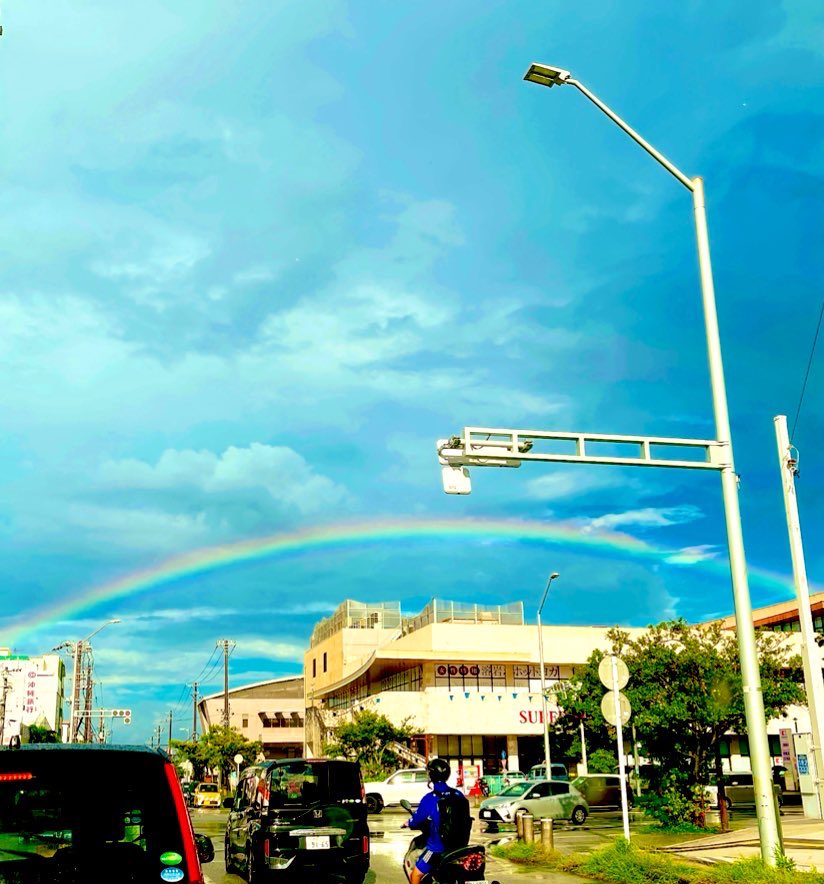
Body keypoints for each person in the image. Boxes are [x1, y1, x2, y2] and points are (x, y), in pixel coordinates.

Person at [402, 758, 469, 884]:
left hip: (437, 848)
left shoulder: (430, 798)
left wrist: (408, 823)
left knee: (415, 875)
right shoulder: (458, 795)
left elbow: (416, 820)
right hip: (459, 847)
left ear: (431, 775)